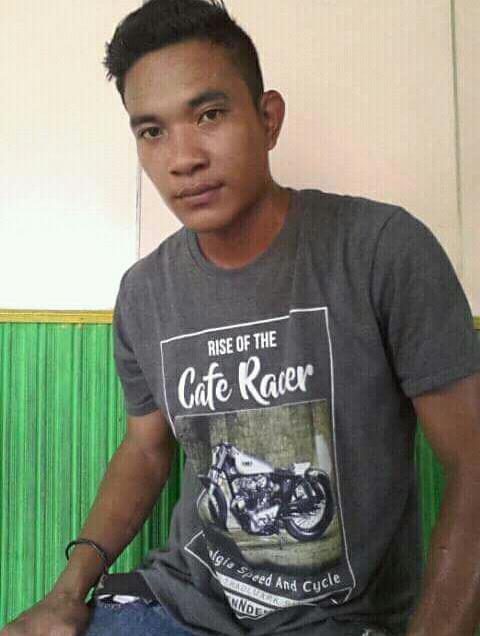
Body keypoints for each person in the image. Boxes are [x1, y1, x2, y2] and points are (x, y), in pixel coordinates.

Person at [3, 1, 480, 635]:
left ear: (268, 118)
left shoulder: (382, 250)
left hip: (336, 621)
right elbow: (145, 448)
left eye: (209, 114)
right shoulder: (144, 293)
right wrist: (66, 591)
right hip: (177, 604)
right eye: (152, 131)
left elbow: (474, 460)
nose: (183, 158)